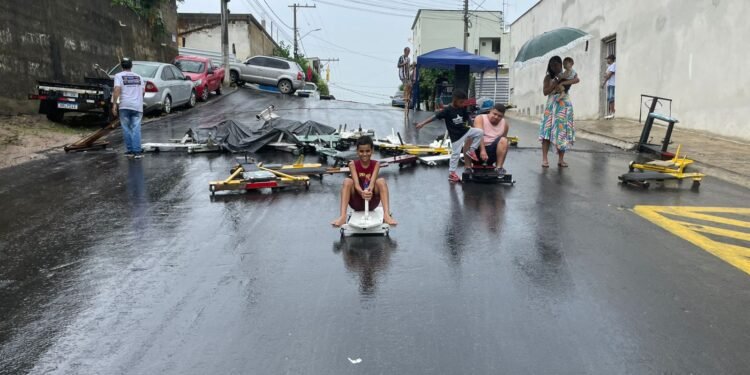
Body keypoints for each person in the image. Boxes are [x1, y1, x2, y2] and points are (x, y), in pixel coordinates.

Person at [414, 89, 483, 182]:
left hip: (464, 130)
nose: (463, 104)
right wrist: (422, 123)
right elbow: (435, 117)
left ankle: (471, 150)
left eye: (464, 102)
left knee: (479, 132)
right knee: (456, 154)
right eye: (461, 102)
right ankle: (452, 174)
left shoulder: (462, 108)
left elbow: (468, 118)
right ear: (455, 99)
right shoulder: (447, 110)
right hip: (455, 136)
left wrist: (472, 126)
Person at [331, 136, 397, 227]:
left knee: (381, 181)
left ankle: (386, 215)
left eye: (367, 151)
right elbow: (357, 184)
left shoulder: (376, 164)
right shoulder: (352, 164)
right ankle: (342, 216)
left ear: (372, 151)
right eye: (361, 151)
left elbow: (372, 183)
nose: (364, 154)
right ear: (357, 151)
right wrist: (362, 192)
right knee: (347, 181)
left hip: (371, 201)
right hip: (356, 202)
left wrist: (368, 191)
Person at [539, 56, 576, 168]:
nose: (554, 67)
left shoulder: (566, 74)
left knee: (562, 131)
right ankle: (545, 159)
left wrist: (564, 82)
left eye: (556, 64)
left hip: (564, 105)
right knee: (547, 131)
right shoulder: (548, 77)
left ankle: (561, 160)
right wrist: (555, 82)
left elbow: (576, 79)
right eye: (552, 65)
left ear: (561, 64)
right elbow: (545, 92)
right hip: (551, 105)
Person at [112, 57, 146, 158]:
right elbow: (143, 92)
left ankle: (130, 150)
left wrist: (115, 104)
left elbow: (117, 89)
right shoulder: (139, 77)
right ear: (131, 66)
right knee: (136, 128)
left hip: (124, 106)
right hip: (137, 106)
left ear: (121, 66)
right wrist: (138, 101)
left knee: (126, 128)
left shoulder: (118, 76)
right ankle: (137, 151)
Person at [473, 103, 510, 174]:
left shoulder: (505, 124)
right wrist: (483, 150)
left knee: (504, 140)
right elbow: (479, 135)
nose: (496, 117)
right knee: (469, 137)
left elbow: (503, 145)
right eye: (494, 114)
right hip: (477, 151)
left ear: (503, 116)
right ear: (490, 111)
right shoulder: (480, 118)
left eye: (499, 116)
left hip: (491, 152)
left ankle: (499, 168)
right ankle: (467, 167)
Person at [602, 54, 616, 119]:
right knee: (609, 99)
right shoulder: (609, 66)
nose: (607, 60)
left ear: (611, 59)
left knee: (611, 98)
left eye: (608, 59)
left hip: (612, 84)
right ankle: (611, 113)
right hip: (609, 84)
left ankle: (613, 113)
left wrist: (606, 76)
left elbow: (608, 76)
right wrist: (604, 83)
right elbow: (605, 75)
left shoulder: (613, 65)